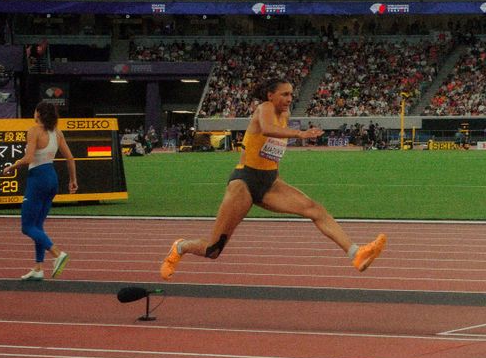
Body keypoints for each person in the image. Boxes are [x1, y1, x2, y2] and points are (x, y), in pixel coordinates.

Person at [162, 80, 385, 279]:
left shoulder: (285, 116)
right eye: (284, 94)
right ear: (271, 95)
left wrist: (275, 176)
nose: (289, 99)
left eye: (291, 94)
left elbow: (271, 152)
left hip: (270, 182)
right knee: (214, 250)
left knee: (315, 209)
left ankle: (356, 253)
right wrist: (300, 134)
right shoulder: (264, 108)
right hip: (244, 182)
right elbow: (268, 130)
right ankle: (180, 247)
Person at [7, 100, 75, 281]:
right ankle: (38, 268)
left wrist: (12, 166)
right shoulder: (57, 133)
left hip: (37, 178)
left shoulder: (34, 130)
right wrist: (73, 181)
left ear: (38, 113)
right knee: (38, 226)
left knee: (27, 227)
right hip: (52, 178)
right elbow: (70, 158)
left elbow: (28, 158)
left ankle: (57, 253)